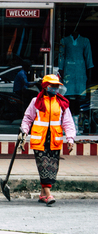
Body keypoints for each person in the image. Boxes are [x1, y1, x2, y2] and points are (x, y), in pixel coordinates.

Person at [20, 74, 75, 206]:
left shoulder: (61, 103)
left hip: (54, 139)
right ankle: (48, 195)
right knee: (43, 166)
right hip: (40, 140)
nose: (55, 88)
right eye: (52, 86)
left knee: (52, 168)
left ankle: (42, 194)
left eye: (57, 86)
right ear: (45, 87)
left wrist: (70, 138)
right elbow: (28, 118)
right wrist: (24, 132)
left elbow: (68, 122)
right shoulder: (36, 101)